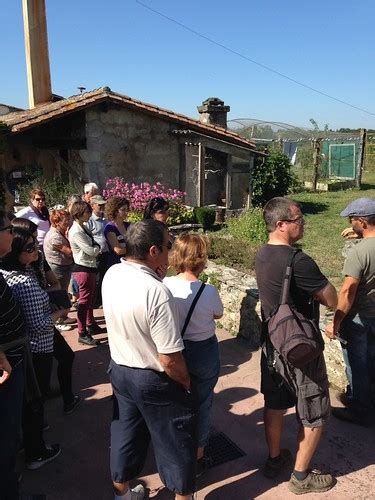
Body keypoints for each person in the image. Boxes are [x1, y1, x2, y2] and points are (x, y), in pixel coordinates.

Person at [102, 220, 197, 500]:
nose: (170, 253)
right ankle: (182, 495)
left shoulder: (112, 274)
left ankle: (123, 493)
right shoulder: (156, 291)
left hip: (119, 368)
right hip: (151, 378)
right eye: (168, 247)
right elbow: (169, 358)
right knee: (176, 441)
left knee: (125, 432)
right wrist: (187, 381)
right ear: (154, 250)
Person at [255, 197, 337, 495]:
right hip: (300, 345)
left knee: (275, 403)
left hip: (271, 342)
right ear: (281, 225)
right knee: (315, 407)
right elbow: (332, 298)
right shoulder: (298, 261)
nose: (303, 224)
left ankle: (275, 459)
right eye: (298, 219)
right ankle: (301, 477)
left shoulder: (262, 254)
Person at [0, 222, 62, 470]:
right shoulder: (24, 283)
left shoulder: (10, 275)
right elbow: (38, 325)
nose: (36, 252)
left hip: (27, 349)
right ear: (17, 253)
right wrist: (59, 314)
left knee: (28, 403)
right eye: (30, 248)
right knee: (36, 401)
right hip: (37, 348)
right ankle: (36, 451)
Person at [164, 233, 223, 475]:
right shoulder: (208, 291)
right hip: (203, 350)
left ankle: (174, 451)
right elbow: (218, 315)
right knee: (203, 403)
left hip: (174, 348)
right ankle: (198, 457)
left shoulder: (165, 285)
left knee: (174, 401)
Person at [326, 198, 375, 425]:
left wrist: (335, 321)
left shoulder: (359, 253)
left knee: (357, 365)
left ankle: (359, 410)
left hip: (358, 319)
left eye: (352, 219)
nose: (349, 223)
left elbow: (347, 292)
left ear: (363, 222)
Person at [0, 208, 28, 498]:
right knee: (5, 436)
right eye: (8, 229)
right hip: (7, 366)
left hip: (14, 358)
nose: (12, 233)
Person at [69, 201, 103, 345]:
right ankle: (82, 332)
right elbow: (91, 250)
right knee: (84, 302)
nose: (89, 214)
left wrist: (96, 246)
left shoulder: (82, 227)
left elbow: (94, 245)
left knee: (90, 300)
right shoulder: (76, 231)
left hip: (90, 267)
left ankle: (90, 324)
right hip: (83, 268)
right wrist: (97, 248)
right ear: (79, 213)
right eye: (87, 212)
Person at [86, 195, 109, 307]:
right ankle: (95, 301)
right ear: (93, 205)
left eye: (103, 205)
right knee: (97, 279)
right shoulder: (90, 221)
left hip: (106, 253)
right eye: (99, 205)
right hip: (96, 255)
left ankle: (101, 300)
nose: (102, 207)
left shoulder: (106, 219)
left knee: (104, 278)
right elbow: (88, 237)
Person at [104, 196, 130, 267]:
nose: (126, 212)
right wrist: (135, 249)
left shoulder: (129, 226)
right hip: (116, 264)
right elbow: (118, 250)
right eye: (123, 210)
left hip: (128, 264)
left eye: (127, 210)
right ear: (115, 210)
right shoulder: (110, 228)